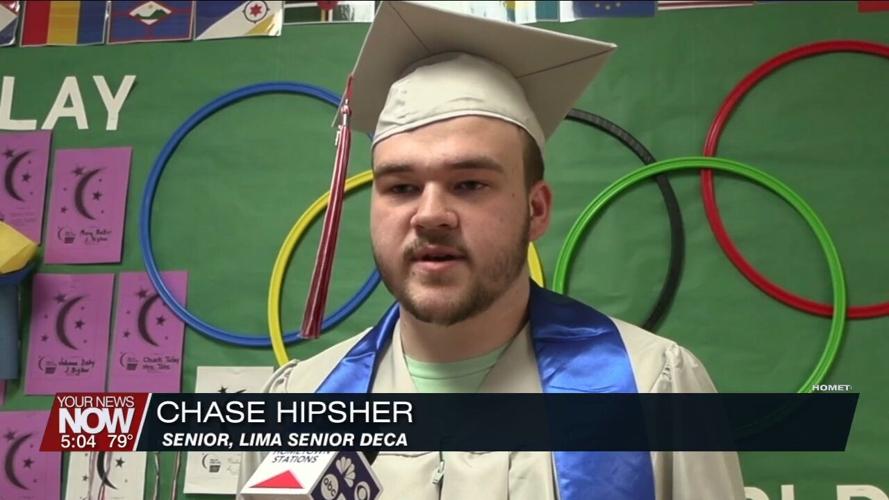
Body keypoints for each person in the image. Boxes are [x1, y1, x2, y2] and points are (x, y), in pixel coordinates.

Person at [239, 2, 745, 499]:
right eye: (401, 187)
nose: (429, 214)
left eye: (470, 184)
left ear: (537, 209)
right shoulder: (301, 402)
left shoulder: (651, 390)